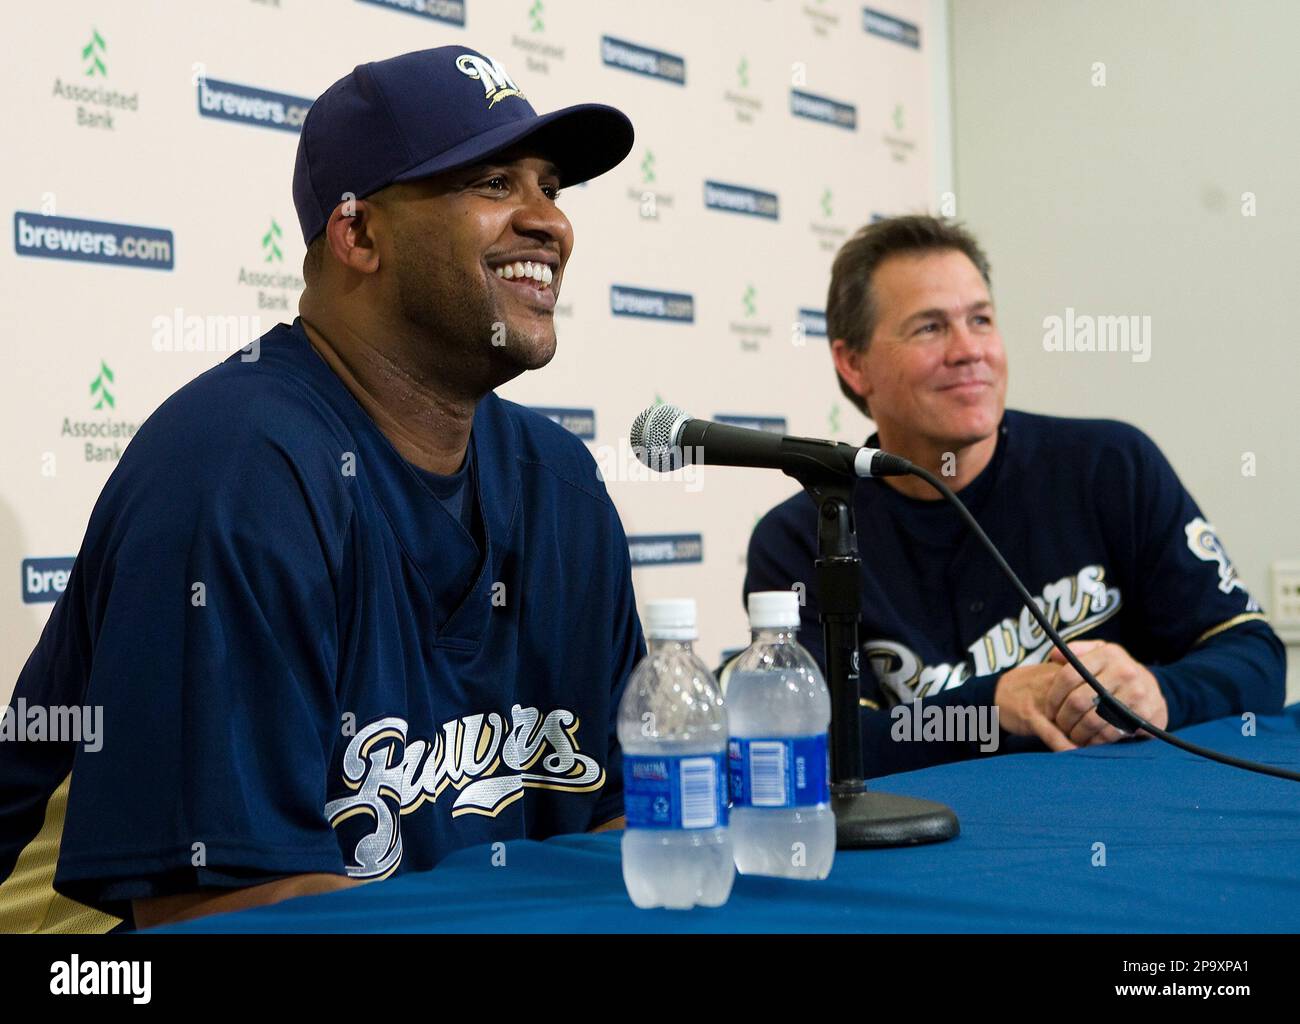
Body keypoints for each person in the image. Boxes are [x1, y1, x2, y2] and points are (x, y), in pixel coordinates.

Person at [0, 46, 643, 932]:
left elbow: (617, 822)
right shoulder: (237, 470)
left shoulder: (560, 483)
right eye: (496, 183)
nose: (550, 225)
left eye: (553, 188)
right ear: (358, 234)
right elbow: (221, 913)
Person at [744, 215, 1285, 778]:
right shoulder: (803, 535)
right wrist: (991, 709)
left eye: (980, 320)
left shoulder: (1111, 465)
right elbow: (815, 742)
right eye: (929, 328)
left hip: (1131, 826)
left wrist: (1159, 692)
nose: (968, 350)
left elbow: (1256, 659)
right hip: (928, 853)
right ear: (853, 364)